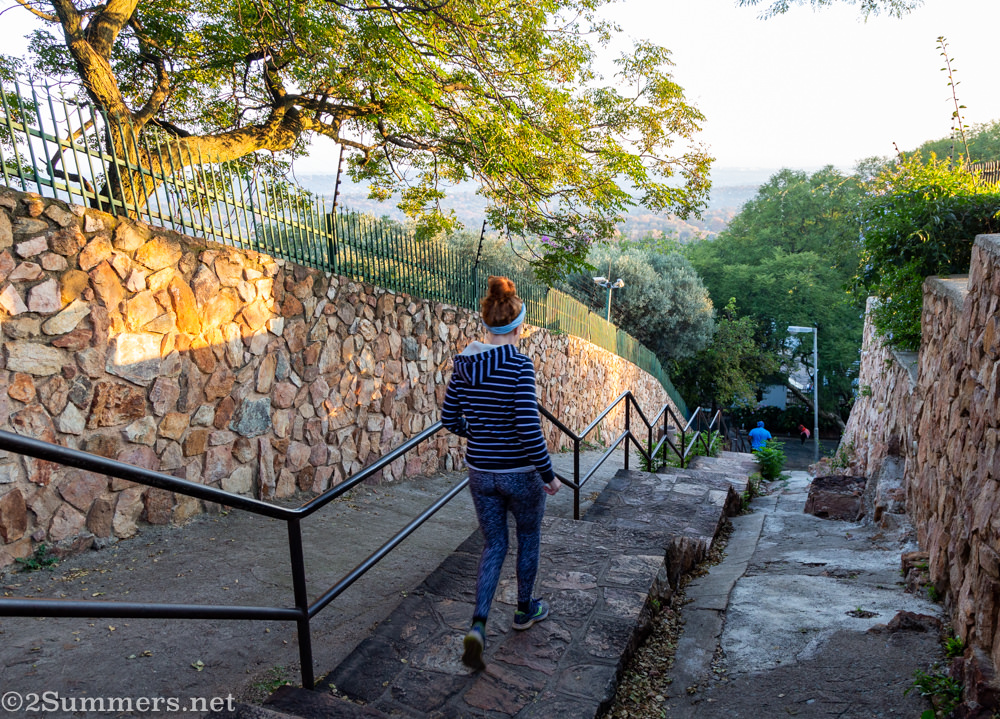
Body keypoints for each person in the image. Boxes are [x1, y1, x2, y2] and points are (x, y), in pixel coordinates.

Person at [440, 276, 562, 671]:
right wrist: (548, 473)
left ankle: (478, 624)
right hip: (521, 475)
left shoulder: (464, 363)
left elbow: (449, 418)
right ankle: (524, 610)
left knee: (494, 545)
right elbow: (528, 426)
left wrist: (477, 432)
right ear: (518, 326)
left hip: (481, 472)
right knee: (528, 537)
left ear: (488, 322)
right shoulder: (519, 365)